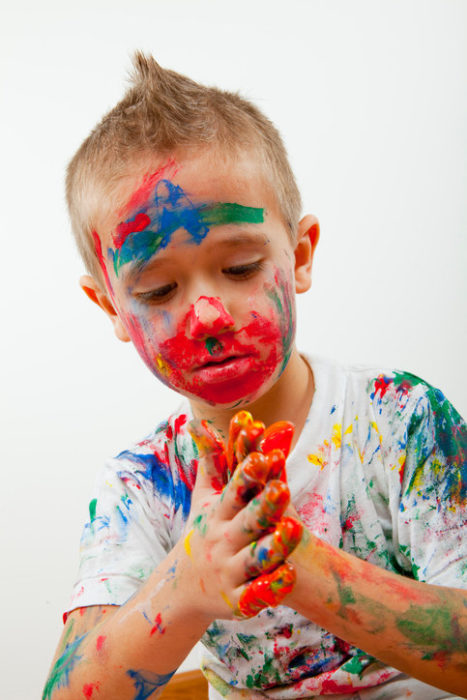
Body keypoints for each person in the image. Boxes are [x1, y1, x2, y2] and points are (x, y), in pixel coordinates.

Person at [43, 52, 466, 699]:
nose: (207, 314)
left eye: (238, 268)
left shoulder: (399, 417)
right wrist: (187, 582)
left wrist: (293, 562)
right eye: (158, 290)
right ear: (112, 309)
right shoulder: (142, 486)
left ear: (298, 256)